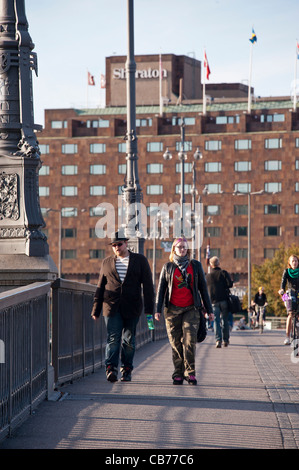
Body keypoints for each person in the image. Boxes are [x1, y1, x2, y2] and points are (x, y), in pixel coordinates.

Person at [91, 232, 155, 382]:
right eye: (114, 245)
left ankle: (127, 369)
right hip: (111, 306)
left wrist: (149, 310)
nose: (117, 248)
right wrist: (96, 309)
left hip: (132, 306)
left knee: (129, 340)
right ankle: (111, 368)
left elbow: (147, 286)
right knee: (113, 338)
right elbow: (100, 287)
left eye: (119, 244)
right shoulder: (107, 262)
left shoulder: (139, 260)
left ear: (126, 243)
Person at [155, 237, 213, 386]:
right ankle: (178, 373)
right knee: (175, 343)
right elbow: (161, 290)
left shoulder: (195, 266)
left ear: (187, 250)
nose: (182, 249)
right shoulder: (168, 267)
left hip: (191, 309)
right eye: (179, 247)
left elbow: (203, 289)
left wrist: (209, 310)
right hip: (172, 310)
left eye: (184, 247)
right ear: (174, 249)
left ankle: (190, 373)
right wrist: (157, 310)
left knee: (189, 341)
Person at [205, 256, 233, 348]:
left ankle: (218, 340)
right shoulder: (223, 273)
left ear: (211, 265)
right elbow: (230, 284)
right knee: (225, 320)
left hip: (213, 301)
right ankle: (225, 340)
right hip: (224, 300)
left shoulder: (207, 276)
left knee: (216, 321)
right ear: (219, 263)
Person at [278, 254, 299, 345]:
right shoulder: (286, 271)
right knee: (290, 314)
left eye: (296, 261)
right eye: (292, 261)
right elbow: (283, 282)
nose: (294, 262)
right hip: (289, 293)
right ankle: (287, 336)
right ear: (289, 263)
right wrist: (281, 290)